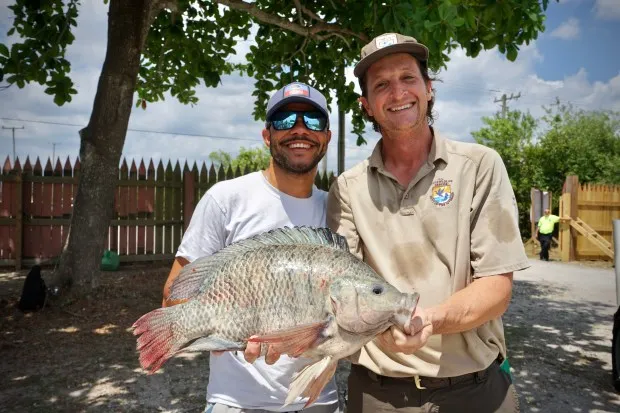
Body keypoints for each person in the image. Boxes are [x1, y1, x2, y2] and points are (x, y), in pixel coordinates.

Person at [326, 33, 530, 412]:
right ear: (366, 105)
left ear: (429, 89)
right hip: (378, 394)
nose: (398, 92)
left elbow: (497, 287)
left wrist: (431, 320)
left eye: (408, 78)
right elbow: (340, 292)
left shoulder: (480, 166)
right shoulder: (347, 189)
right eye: (382, 85)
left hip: (475, 390)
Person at [162, 81, 340, 413]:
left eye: (313, 121)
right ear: (266, 134)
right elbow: (175, 296)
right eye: (285, 120)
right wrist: (219, 330)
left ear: (326, 136)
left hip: (318, 401)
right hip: (236, 402)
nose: (299, 129)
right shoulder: (226, 199)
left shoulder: (337, 211)